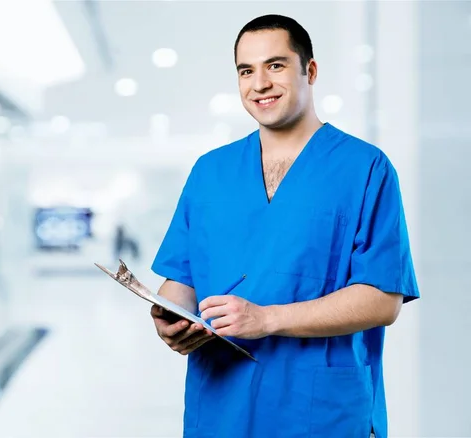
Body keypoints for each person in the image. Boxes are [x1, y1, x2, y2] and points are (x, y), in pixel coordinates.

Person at [149, 14, 419, 438]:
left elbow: (382, 300)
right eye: (246, 70)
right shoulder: (210, 172)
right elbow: (181, 279)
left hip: (320, 412)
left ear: (309, 71)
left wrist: (267, 319)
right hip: (220, 407)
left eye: (275, 65)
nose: (259, 83)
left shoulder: (364, 168)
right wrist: (169, 316)